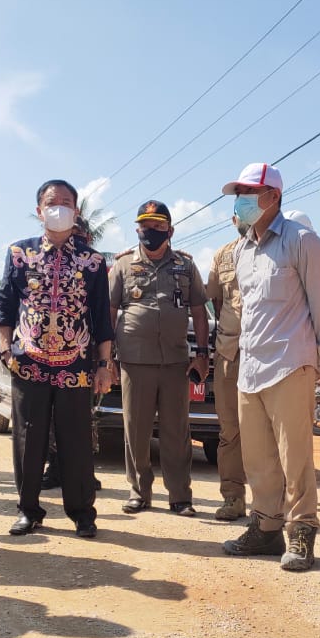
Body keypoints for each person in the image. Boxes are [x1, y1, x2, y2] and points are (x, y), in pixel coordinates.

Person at [218, 163, 320, 571]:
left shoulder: (303, 241)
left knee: (295, 457)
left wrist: (316, 361)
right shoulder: (242, 250)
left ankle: (301, 531)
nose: (241, 200)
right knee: (258, 457)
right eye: (239, 193)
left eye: (248, 192)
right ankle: (266, 529)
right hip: (250, 366)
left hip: (291, 363)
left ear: (273, 196)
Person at [0, 179, 115, 537]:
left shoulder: (92, 261)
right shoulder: (19, 253)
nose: (58, 207)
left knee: (75, 438)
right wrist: (5, 347)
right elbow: (5, 303)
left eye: (66, 202)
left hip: (75, 366)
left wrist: (104, 365)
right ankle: (28, 509)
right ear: (39, 210)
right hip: (28, 362)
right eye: (52, 202)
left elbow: (100, 317)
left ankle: (82, 513)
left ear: (76, 211)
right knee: (28, 438)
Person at [109, 200, 209, 515]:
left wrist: (202, 353)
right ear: (137, 228)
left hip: (176, 361)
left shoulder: (185, 266)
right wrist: (107, 357)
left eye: (158, 226)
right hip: (134, 361)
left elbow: (199, 311)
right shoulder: (123, 266)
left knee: (177, 432)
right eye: (145, 226)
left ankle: (180, 496)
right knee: (135, 430)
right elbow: (110, 312)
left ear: (170, 230)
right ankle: (139, 492)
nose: (151, 231)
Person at [205, 216, 248, 521]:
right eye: (239, 210)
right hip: (230, 355)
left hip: (270, 354)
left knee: (271, 435)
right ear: (233, 219)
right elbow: (212, 300)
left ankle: (272, 503)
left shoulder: (283, 249)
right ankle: (232, 498)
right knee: (230, 432)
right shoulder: (222, 255)